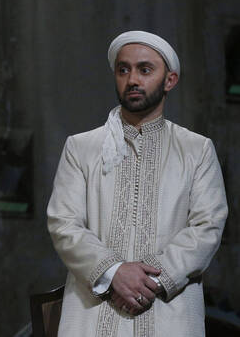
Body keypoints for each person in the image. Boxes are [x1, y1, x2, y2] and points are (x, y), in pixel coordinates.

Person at [47, 31, 227, 337]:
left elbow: (207, 227)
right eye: (123, 69)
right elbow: (64, 223)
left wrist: (149, 280)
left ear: (170, 80)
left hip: (171, 315)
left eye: (145, 70)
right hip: (92, 316)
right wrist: (114, 271)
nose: (132, 79)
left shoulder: (196, 150)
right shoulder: (82, 147)